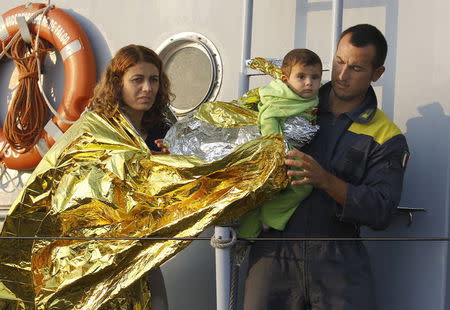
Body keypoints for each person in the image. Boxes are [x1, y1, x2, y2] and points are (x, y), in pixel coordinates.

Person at [243, 24, 409, 310]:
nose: (342, 76)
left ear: (377, 74)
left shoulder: (387, 136)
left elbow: (382, 211)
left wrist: (325, 180)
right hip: (273, 249)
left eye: (356, 68)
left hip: (340, 257)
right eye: (339, 62)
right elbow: (233, 142)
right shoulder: (288, 101)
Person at [89, 44, 172, 309]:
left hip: (145, 248)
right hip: (99, 253)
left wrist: (172, 167)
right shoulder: (97, 128)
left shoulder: (163, 128)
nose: (147, 88)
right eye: (137, 80)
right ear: (118, 83)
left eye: (153, 80)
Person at [239, 48, 322, 238]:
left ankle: (249, 232)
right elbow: (267, 117)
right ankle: (272, 216)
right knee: (304, 185)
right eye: (301, 76)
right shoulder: (281, 97)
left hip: (289, 149)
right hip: (279, 151)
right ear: (286, 80)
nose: (309, 82)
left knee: (268, 193)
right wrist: (279, 151)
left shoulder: (310, 98)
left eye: (315, 77)